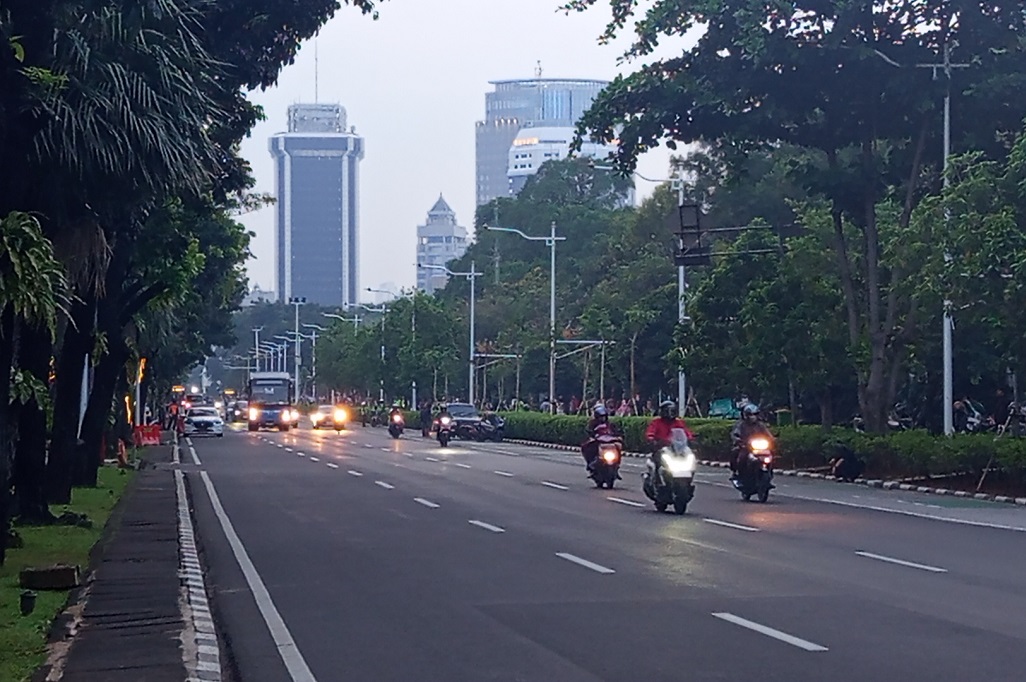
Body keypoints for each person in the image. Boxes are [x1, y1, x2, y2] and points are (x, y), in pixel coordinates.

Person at [644, 400, 695, 480]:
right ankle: (657, 480)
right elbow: (650, 433)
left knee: (690, 457)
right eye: (668, 411)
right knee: (659, 463)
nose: (671, 413)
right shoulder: (656, 422)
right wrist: (652, 439)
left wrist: (691, 438)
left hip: (677, 449)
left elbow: (685, 432)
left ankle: (688, 481)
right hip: (661, 448)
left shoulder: (678, 422)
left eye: (672, 411)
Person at [730, 404, 772, 479]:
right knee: (739, 456)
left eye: (755, 414)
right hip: (746, 447)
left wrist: (772, 439)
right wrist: (738, 440)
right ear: (746, 415)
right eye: (750, 414)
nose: (753, 416)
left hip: (760, 448)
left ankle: (769, 473)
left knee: (771, 456)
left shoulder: (760, 425)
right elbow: (735, 434)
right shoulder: (741, 425)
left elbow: (768, 434)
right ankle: (736, 473)